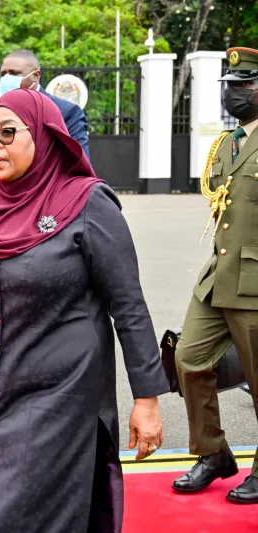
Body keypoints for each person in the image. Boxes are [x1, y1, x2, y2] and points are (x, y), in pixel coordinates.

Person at [0, 89, 167, 533]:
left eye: (7, 133)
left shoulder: (87, 202)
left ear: (43, 135)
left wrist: (146, 400)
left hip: (60, 399)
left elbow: (129, 306)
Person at [171, 46, 258, 504]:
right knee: (188, 359)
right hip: (218, 275)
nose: (233, 94)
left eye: (243, 86)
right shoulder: (226, 143)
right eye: (230, 87)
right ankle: (213, 453)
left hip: (255, 282)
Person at [0, 49, 90, 188]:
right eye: (3, 74)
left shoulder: (65, 111)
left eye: (14, 73)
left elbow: (77, 166)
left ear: (35, 76)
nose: (7, 78)